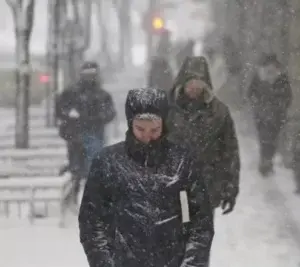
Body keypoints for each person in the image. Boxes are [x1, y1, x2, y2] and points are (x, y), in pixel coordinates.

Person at [79, 88, 214, 267]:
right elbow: (92, 220)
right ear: (130, 123)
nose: (147, 136)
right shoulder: (107, 162)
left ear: (163, 125)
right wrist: (103, 262)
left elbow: (201, 221)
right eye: (140, 129)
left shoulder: (183, 161)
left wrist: (192, 263)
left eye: (155, 129)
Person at [56, 61, 116, 204]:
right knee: (82, 171)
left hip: (86, 136)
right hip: (81, 136)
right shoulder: (91, 94)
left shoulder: (95, 95)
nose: (90, 78)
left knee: (83, 171)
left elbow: (109, 113)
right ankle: (78, 201)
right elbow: (61, 110)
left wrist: (75, 118)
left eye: (92, 75)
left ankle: (80, 201)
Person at [247, 53, 292, 176]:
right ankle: (265, 163)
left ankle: (266, 161)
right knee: (267, 139)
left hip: (272, 114)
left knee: (269, 139)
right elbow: (251, 93)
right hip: (267, 114)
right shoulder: (264, 77)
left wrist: (280, 105)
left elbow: (287, 95)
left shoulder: (280, 77)